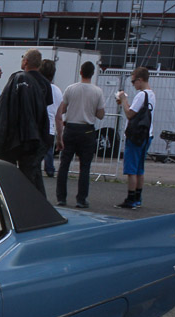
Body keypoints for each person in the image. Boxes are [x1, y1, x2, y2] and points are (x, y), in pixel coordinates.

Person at [0, 48, 53, 195]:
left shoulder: (17, 80)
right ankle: (35, 203)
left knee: (8, 173)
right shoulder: (45, 84)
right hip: (35, 135)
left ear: (25, 61)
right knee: (32, 174)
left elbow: (5, 106)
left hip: (15, 135)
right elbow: (45, 109)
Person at [55, 61, 105, 209]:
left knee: (64, 165)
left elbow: (62, 109)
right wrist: (92, 111)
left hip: (70, 128)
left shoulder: (71, 89)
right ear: (92, 73)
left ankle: (61, 198)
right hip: (87, 130)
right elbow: (101, 114)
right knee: (85, 167)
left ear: (81, 72)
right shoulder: (97, 91)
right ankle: (81, 199)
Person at [116, 67, 156, 209]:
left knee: (131, 169)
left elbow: (130, 114)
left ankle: (130, 198)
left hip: (136, 136)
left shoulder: (141, 95)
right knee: (140, 169)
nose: (133, 84)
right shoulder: (151, 95)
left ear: (140, 80)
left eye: (133, 81)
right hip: (147, 135)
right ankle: (138, 197)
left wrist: (124, 99)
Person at [40, 59, 62, 177]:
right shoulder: (57, 91)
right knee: (48, 150)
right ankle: (50, 169)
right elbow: (59, 117)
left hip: (37, 126)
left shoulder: (36, 87)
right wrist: (60, 137)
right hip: (50, 127)